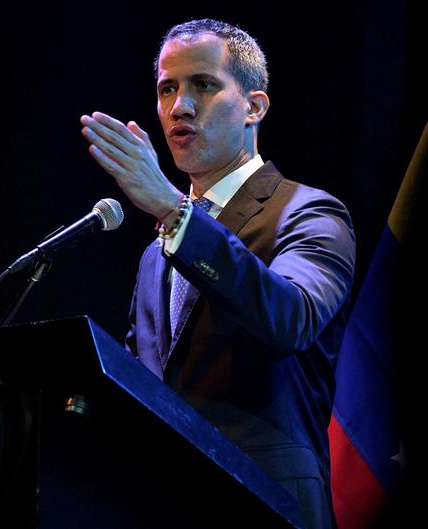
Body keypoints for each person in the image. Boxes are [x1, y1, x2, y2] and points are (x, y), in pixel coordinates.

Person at [79, 18, 354, 529]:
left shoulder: (310, 213)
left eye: (203, 85)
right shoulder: (155, 253)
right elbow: (147, 389)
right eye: (167, 89)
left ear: (253, 107)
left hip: (268, 505)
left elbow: (289, 318)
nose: (179, 107)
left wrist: (172, 212)